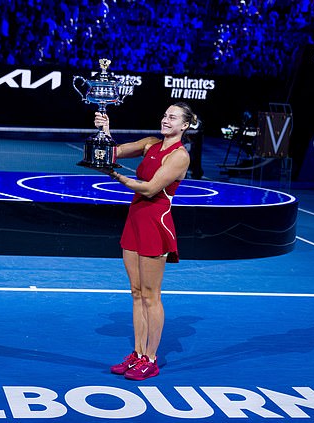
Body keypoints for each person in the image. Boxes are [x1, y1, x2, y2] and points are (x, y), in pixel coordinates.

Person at [93, 102, 196, 380]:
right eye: (164, 114)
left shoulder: (180, 156)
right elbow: (113, 152)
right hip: (135, 221)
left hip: (155, 224)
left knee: (151, 296)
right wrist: (105, 132)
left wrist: (116, 176)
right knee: (136, 293)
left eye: (172, 117)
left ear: (184, 125)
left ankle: (151, 359)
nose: (166, 120)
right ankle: (137, 354)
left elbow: (151, 188)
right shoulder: (151, 143)